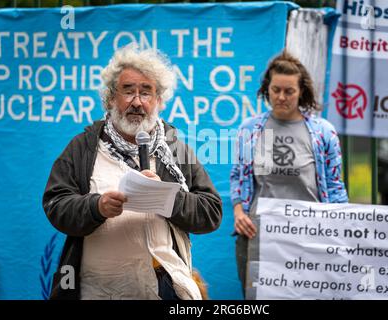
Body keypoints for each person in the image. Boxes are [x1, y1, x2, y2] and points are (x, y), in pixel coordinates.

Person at [43, 47, 222, 300]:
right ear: (110, 99)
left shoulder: (176, 150)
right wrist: (97, 207)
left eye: (146, 92)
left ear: (158, 100)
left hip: (165, 288)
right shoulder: (83, 148)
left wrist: (166, 197)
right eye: (128, 91)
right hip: (100, 289)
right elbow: (56, 204)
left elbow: (211, 213)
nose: (137, 102)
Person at [229, 51, 348, 296]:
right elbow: (238, 176)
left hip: (310, 238)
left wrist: (339, 230)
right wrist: (239, 211)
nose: (281, 97)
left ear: (301, 91)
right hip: (258, 236)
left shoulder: (323, 132)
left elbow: (335, 186)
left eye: (289, 91)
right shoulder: (250, 129)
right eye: (275, 90)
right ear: (267, 89)